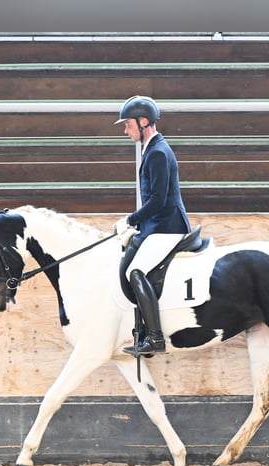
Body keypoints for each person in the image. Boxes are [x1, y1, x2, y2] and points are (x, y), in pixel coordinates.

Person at [113, 95, 191, 356]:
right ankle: (142, 332)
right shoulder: (152, 148)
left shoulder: (157, 152)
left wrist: (131, 220)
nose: (126, 131)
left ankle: (155, 338)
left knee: (136, 272)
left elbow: (158, 201)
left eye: (128, 125)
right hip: (158, 225)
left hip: (168, 226)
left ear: (143, 121)